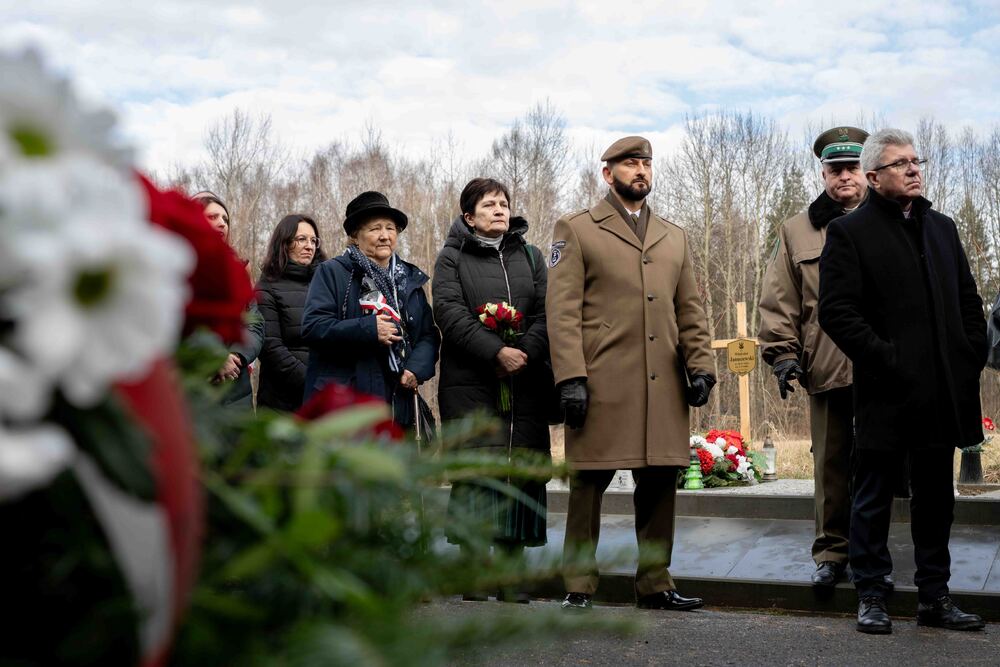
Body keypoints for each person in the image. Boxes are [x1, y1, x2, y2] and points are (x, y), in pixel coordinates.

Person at [819, 128, 987, 634]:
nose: (914, 169)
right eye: (901, 163)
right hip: (886, 393)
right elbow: (838, 313)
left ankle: (935, 597)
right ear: (873, 177)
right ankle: (871, 594)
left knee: (936, 498)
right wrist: (887, 360)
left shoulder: (943, 228)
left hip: (942, 393)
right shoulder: (851, 234)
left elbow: (968, 301)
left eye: (917, 161)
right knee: (872, 496)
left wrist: (968, 353)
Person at [546, 136, 716, 612]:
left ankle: (656, 583)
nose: (640, 170)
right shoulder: (577, 229)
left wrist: (701, 366)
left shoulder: (673, 235)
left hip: (664, 384)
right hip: (602, 383)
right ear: (608, 174)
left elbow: (691, 310)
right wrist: (570, 378)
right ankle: (578, 585)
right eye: (629, 164)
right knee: (587, 486)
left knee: (661, 486)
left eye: (645, 163)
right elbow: (561, 312)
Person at [758, 127, 886, 589]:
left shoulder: (892, 219)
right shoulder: (797, 230)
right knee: (830, 464)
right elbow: (780, 300)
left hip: (885, 368)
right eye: (835, 170)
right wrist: (782, 356)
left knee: (881, 464)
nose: (844, 177)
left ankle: (876, 556)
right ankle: (832, 554)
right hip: (827, 365)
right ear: (823, 173)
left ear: (868, 172)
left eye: (852, 168)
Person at [432, 178, 553, 603]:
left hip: (525, 383)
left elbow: (544, 311)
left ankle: (512, 568)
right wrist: (495, 351)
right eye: (489, 205)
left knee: (518, 470)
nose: (500, 210)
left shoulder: (530, 255)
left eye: (504, 203)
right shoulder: (451, 258)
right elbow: (447, 311)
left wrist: (524, 352)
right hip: (472, 383)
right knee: (478, 471)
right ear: (469, 216)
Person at [301, 191, 438, 426]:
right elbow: (313, 327)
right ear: (355, 236)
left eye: (390, 228)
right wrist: (368, 329)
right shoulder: (332, 272)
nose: (385, 236)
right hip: (346, 402)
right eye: (375, 229)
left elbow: (427, 334)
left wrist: (416, 369)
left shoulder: (409, 279)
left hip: (399, 401)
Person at [194, 193, 263, 408]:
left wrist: (236, 356)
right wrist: (215, 357)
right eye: (213, 217)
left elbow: (255, 324)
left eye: (225, 219)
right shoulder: (176, 267)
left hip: (236, 390)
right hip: (195, 390)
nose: (222, 223)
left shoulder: (238, 272)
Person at [255, 214, 327, 412]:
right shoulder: (266, 287)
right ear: (284, 243)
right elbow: (270, 348)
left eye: (313, 240)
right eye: (301, 239)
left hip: (323, 399)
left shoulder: (326, 285)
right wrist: (313, 382)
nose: (309, 246)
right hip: (281, 402)